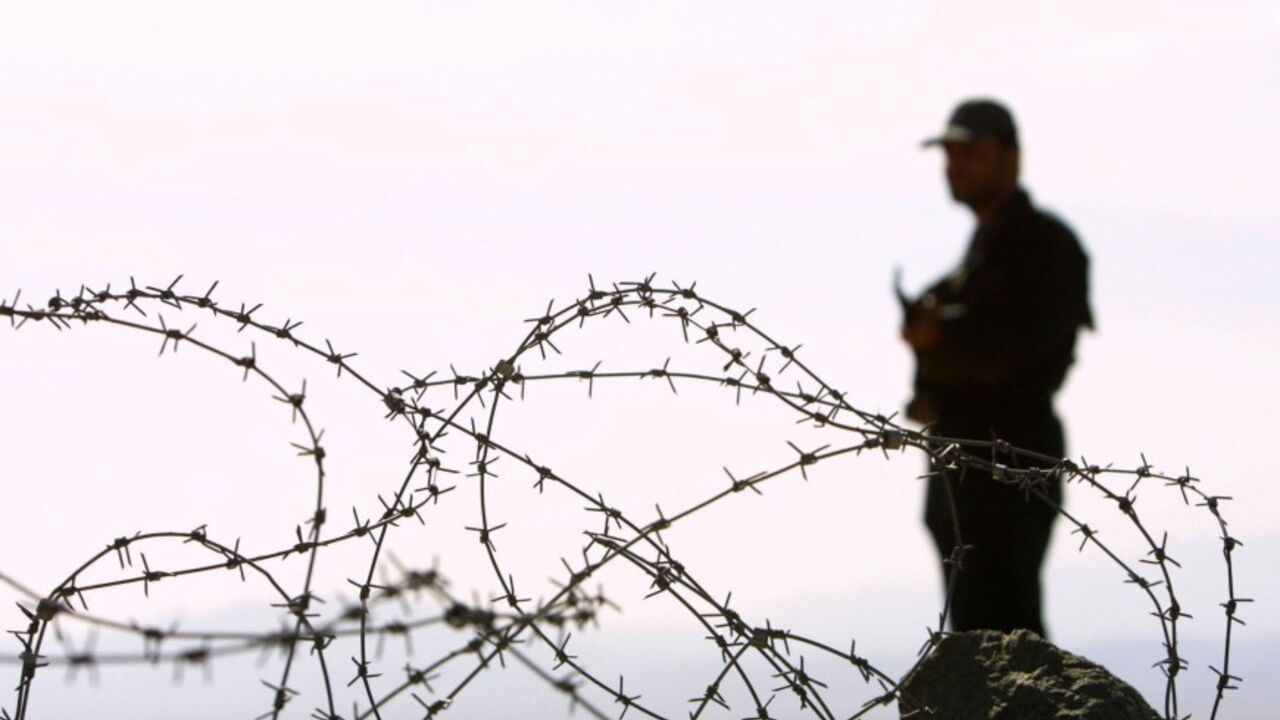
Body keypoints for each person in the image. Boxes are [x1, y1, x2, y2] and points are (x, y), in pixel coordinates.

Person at [901, 99, 1093, 637]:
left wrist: (943, 337)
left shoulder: (1042, 245)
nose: (956, 166)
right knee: (975, 627)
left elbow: (1022, 348)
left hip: (1008, 456)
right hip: (966, 453)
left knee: (1004, 630)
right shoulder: (981, 253)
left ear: (1010, 157)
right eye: (950, 154)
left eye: (972, 152)